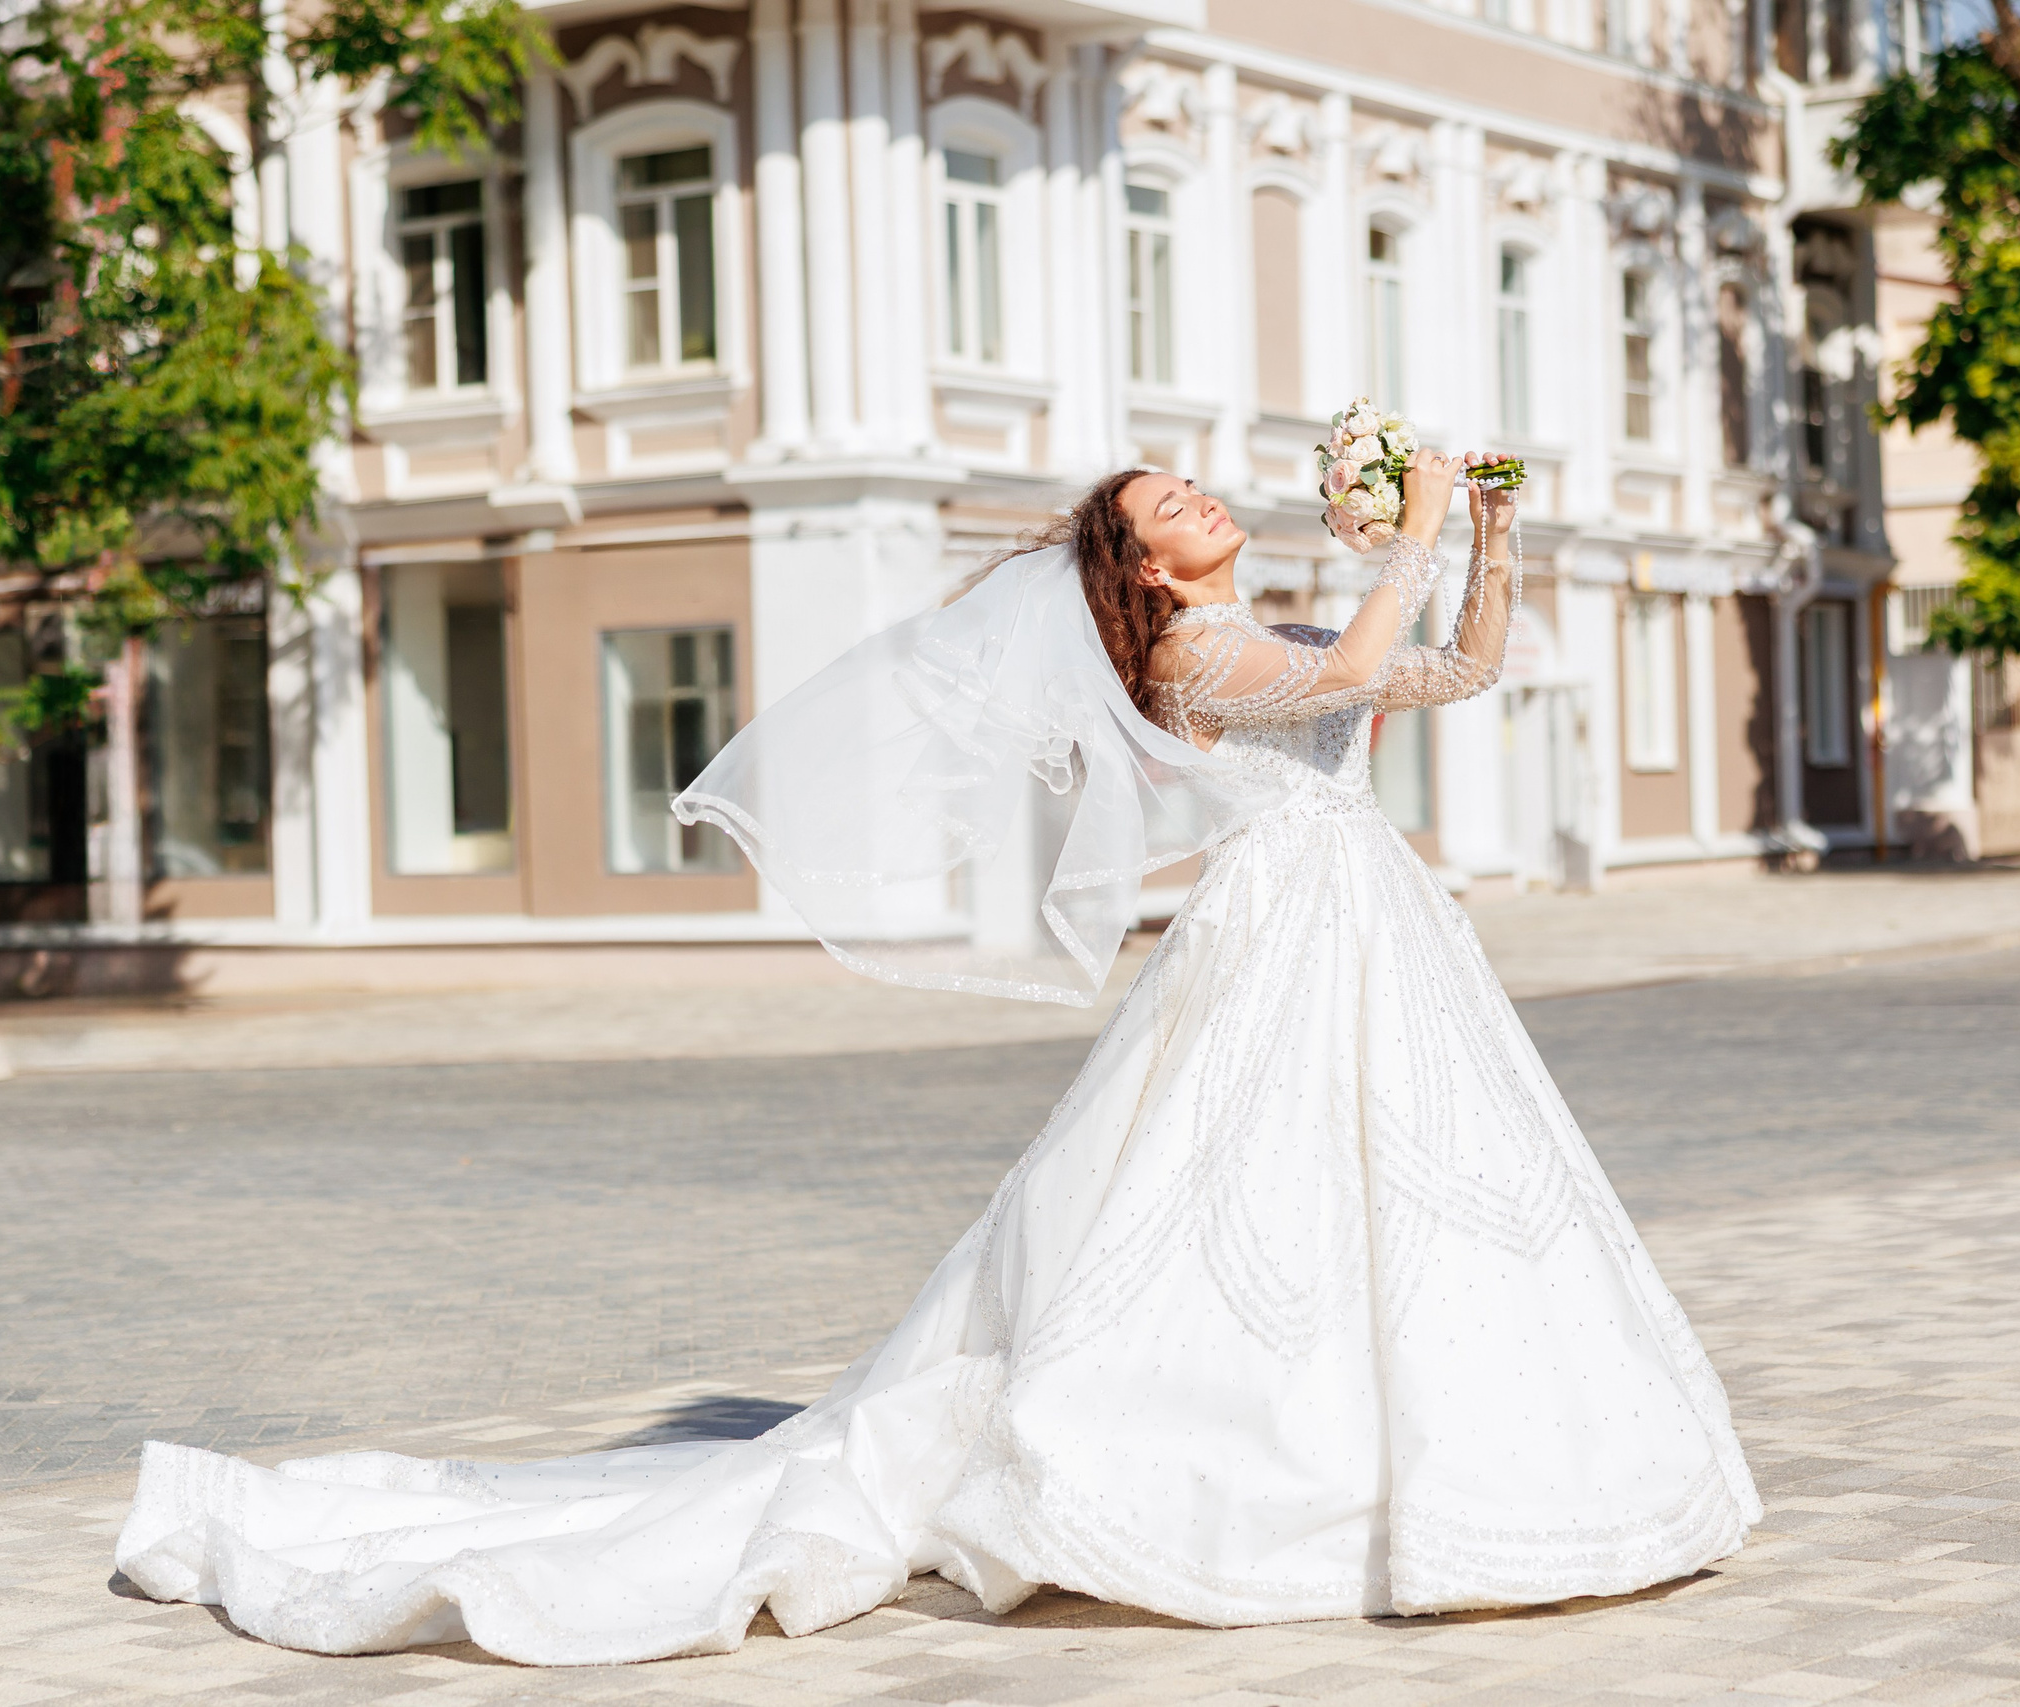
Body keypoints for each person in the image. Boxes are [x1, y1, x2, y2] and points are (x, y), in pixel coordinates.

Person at [114, 452, 1761, 1665]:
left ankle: (1459, 1460)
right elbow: (1338, 678)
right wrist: (1398, 543)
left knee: (1401, 1193)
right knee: (1229, 1192)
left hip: (1376, 924)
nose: (1195, 498)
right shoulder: (1191, 661)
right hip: (1284, 929)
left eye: (1191, 485)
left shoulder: (1267, 630)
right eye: (1160, 507)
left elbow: (1453, 671)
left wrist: (1490, 528)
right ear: (1144, 577)